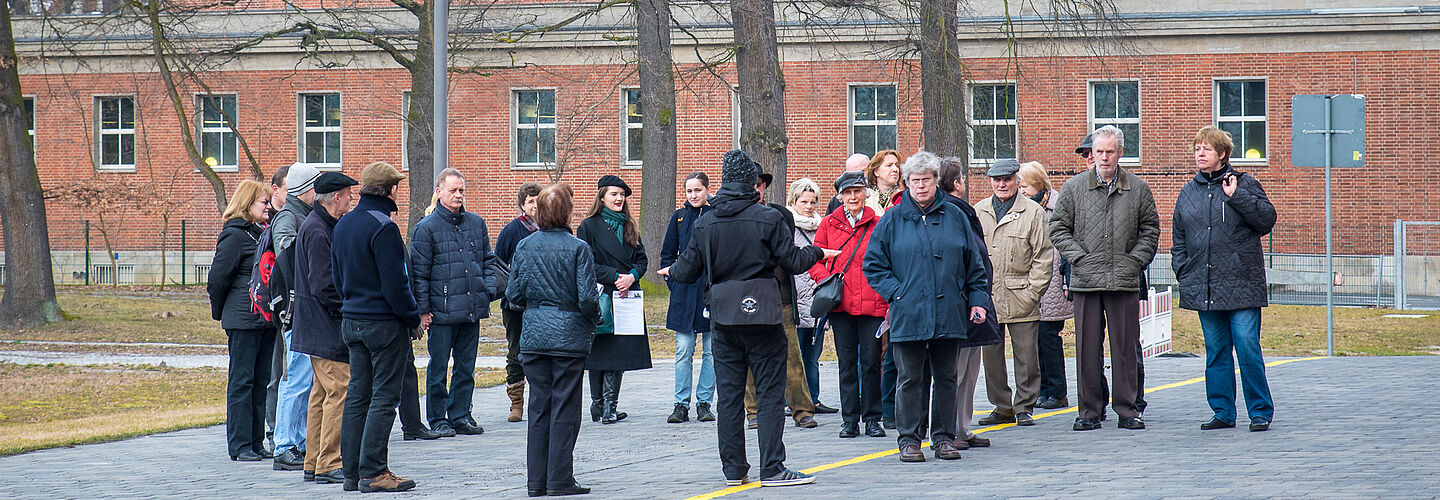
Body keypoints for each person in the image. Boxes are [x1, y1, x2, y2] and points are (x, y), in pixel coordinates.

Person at [661, 149, 833, 487]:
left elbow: (686, 270)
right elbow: (794, 262)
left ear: (724, 180)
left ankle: (734, 470)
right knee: (770, 393)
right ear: (752, 183)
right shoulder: (767, 218)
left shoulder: (706, 221)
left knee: (729, 396)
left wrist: (670, 270)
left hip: (724, 317)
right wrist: (817, 251)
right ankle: (772, 467)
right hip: (765, 315)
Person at [863, 151, 990, 463]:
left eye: (927, 180)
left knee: (947, 376)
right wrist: (898, 293)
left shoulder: (956, 216)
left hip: (949, 311)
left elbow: (975, 264)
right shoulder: (892, 219)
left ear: (936, 182)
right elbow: (873, 265)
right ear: (907, 183)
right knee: (909, 378)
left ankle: (944, 438)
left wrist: (977, 300)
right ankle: (909, 439)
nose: (921, 186)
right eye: (915, 181)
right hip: (909, 313)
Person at [1049, 125, 1160, 432]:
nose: (1104, 157)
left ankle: (1128, 409)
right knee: (1086, 348)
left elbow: (1150, 230)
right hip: (1086, 280)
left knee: (1124, 348)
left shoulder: (1137, 188)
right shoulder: (1073, 188)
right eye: (1099, 152)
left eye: (1110, 151)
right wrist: (1079, 257)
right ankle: (1089, 411)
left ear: (1120, 153)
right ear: (1093, 153)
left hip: (1123, 279)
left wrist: (1135, 261)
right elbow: (1058, 228)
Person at [1172, 126, 1277, 432]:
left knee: (1246, 347)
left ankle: (1260, 411)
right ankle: (1222, 411)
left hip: (1242, 283)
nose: (1199, 154)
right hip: (1204, 284)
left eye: (1206, 149)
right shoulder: (1188, 191)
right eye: (1196, 149)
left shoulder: (1244, 184)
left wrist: (1236, 197)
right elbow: (1179, 236)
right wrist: (1183, 269)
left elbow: (1266, 220)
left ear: (1222, 154)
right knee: (1216, 350)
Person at [506, 183, 600, 497]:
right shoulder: (577, 248)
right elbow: (587, 298)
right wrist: (595, 318)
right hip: (569, 337)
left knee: (539, 408)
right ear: (566, 213)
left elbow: (514, 295)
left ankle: (537, 481)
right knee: (565, 408)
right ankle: (560, 478)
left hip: (534, 336)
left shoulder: (525, 246)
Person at [332, 162, 421, 492]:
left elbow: (338, 279)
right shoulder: (384, 228)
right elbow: (396, 285)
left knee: (357, 397)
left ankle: (351, 473)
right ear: (391, 191)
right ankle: (374, 472)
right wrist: (412, 318)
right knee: (384, 398)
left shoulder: (343, 225)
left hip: (351, 319)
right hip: (383, 324)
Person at [411, 168, 498, 437]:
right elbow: (420, 273)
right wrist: (424, 310)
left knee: (466, 367)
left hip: (471, 307)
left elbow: (487, 261)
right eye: (453, 190)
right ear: (439, 192)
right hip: (441, 311)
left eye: (461, 190)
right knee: (438, 368)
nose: (459, 195)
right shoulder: (425, 229)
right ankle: (438, 418)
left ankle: (460, 414)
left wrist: (487, 289)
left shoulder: (476, 223)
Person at [973, 159, 1053, 428]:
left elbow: (1043, 255)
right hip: (988, 296)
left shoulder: (1033, 212)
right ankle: (1002, 406)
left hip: (1021, 294)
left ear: (1017, 180)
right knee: (991, 357)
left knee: (1027, 357)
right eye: (996, 179)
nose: (1001, 184)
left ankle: (1024, 406)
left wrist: (1033, 292)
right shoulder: (979, 210)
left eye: (1007, 179)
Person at [809, 171, 888, 439]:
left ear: (866, 193)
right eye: (847, 192)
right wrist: (827, 279)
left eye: (857, 191)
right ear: (840, 196)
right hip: (841, 304)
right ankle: (850, 419)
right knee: (846, 363)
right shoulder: (829, 224)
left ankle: (873, 418)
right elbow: (815, 258)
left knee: (870, 363)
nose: (853, 196)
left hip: (872, 304)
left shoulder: (878, 224)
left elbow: (889, 260)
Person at [291, 171, 358, 484]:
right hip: (324, 325)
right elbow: (323, 284)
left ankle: (314, 461)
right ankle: (330, 461)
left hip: (315, 325)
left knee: (320, 395)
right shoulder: (319, 230)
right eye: (348, 194)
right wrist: (346, 308)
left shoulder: (317, 225)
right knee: (338, 392)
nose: (351, 199)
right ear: (335, 198)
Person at [209, 179, 277, 463]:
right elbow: (218, 278)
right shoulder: (235, 234)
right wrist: (221, 312)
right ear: (248, 203)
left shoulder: (260, 233)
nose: (268, 207)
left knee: (261, 380)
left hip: (263, 318)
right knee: (242, 381)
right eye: (264, 202)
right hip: (242, 317)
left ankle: (255, 440)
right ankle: (239, 444)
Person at [744, 171, 818, 429]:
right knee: (749, 357)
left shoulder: (781, 215)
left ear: (764, 187)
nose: (755, 189)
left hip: (781, 296)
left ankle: (802, 410)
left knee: (791, 356)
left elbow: (789, 255)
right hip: (748, 298)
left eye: (759, 185)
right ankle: (753, 412)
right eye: (750, 185)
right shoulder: (734, 216)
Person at [576, 175, 652, 425]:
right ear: (602, 197)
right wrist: (615, 276)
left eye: (622, 194)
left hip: (626, 297)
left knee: (618, 352)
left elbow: (642, 260)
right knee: (599, 351)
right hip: (602, 296)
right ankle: (598, 405)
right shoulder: (588, 226)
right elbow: (586, 264)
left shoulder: (630, 225)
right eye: (613, 194)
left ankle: (609, 406)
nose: (619, 199)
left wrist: (631, 276)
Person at [938, 156, 999, 451]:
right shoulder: (951, 212)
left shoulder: (962, 210)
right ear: (957, 183)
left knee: (969, 371)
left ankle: (962, 427)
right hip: (961, 303)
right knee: (956, 371)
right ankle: (948, 429)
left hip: (974, 300)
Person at [270, 162, 321, 472]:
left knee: (304, 379)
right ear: (308, 189)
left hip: (302, 309)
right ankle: (285, 444)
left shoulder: (299, 216)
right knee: (297, 379)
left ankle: (297, 441)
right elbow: (288, 260)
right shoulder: (289, 219)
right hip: (296, 311)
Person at [661, 172, 716, 424]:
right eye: (689, 191)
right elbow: (667, 254)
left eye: (698, 190)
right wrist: (674, 282)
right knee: (683, 350)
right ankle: (680, 403)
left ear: (707, 190)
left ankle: (704, 402)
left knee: (711, 351)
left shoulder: (715, 214)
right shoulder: (679, 217)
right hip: (684, 293)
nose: (693, 195)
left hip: (710, 292)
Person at [1018, 161, 1073, 410]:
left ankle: (1058, 391)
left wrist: (1065, 280)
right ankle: (1043, 389)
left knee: (1049, 337)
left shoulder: (1057, 208)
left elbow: (1065, 248)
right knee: (1035, 339)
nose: (1021, 190)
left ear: (1039, 185)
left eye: (1025, 186)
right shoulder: (1024, 209)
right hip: (1033, 283)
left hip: (1053, 283)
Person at [786, 178, 837, 415]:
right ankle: (793, 401)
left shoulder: (821, 226)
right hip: (795, 298)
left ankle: (813, 399)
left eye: (813, 201)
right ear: (793, 201)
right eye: (804, 201)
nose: (809, 206)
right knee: (794, 356)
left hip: (817, 298)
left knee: (813, 355)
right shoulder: (787, 228)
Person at [496, 182, 545, 423]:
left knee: (541, 353)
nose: (535, 206)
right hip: (515, 305)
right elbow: (499, 265)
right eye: (530, 202)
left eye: (538, 200)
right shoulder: (511, 231)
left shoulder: (550, 228)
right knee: (516, 352)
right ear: (523, 205)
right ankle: (516, 402)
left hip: (543, 305)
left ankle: (541, 399)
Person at [263, 165, 290, 453]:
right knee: (276, 374)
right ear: (276, 190)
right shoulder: (275, 221)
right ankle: (273, 429)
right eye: (288, 188)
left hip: (279, 308)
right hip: (274, 308)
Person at [864, 150, 903, 215]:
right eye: (889, 165)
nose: (895, 169)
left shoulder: (904, 197)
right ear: (876, 171)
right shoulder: (865, 198)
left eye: (897, 166)